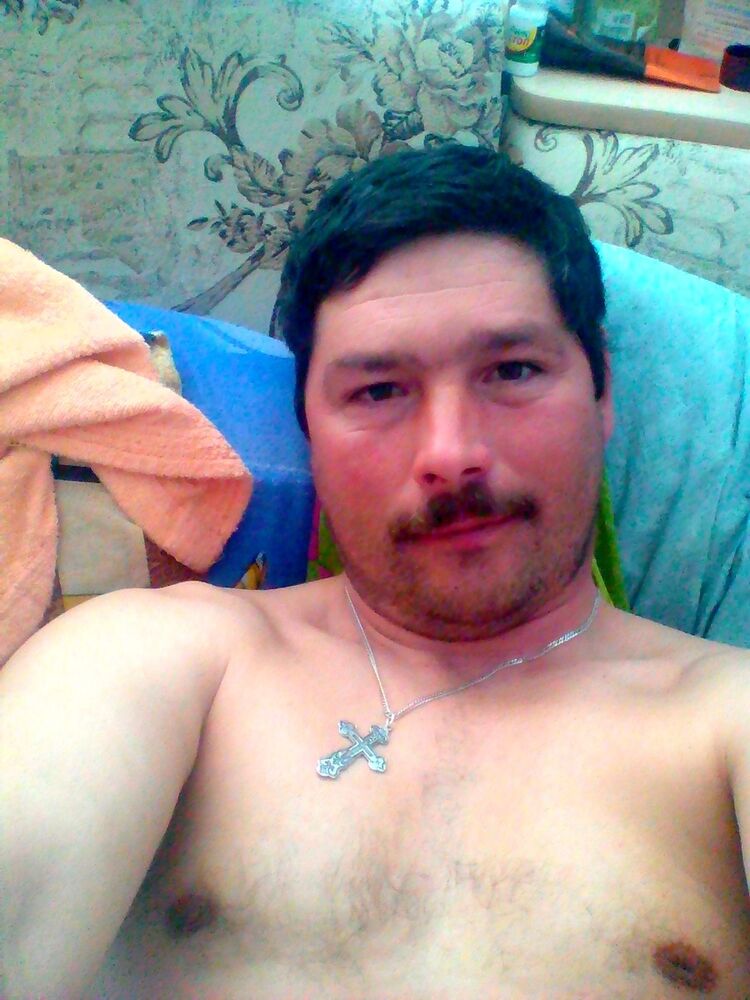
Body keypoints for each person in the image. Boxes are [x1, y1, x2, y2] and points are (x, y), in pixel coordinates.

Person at [2, 144, 749, 999]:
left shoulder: (724, 720)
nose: (451, 454)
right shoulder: (160, 659)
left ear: (602, 391)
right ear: (309, 432)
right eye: (379, 391)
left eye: (513, 371)